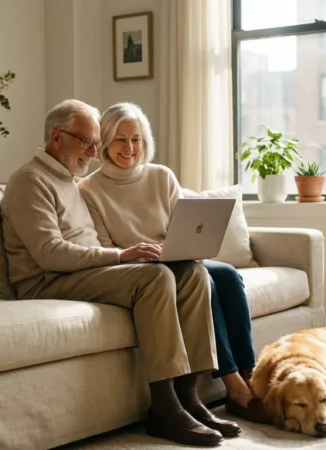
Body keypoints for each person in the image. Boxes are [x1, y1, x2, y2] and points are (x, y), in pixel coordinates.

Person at [0, 99, 236, 446]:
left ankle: (190, 396)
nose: (94, 153)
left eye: (96, 143)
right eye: (87, 142)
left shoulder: (69, 178)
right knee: (154, 278)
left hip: (79, 274)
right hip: (46, 281)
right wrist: (122, 256)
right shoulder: (29, 181)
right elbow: (49, 254)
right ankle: (164, 408)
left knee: (193, 274)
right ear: (56, 137)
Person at [77, 102, 259, 422]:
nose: (130, 148)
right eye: (120, 139)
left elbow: (185, 224)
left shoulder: (162, 176)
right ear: (104, 140)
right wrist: (142, 251)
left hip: (176, 257)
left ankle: (249, 375)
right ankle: (232, 383)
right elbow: (105, 248)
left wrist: (192, 245)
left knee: (228, 275)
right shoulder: (89, 188)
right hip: (140, 269)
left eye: (136, 139)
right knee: (203, 278)